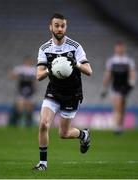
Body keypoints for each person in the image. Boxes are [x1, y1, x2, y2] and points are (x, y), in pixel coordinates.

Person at [34, 13, 93, 171]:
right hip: (54, 91)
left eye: (62, 26)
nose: (59, 28)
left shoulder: (75, 47)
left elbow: (89, 70)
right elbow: (39, 75)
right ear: (50, 27)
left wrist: (77, 64)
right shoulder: (44, 49)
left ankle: (84, 135)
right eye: (56, 25)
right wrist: (50, 68)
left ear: (65, 27)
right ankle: (43, 164)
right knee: (43, 124)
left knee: (64, 133)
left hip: (72, 94)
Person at [101, 41, 136, 134]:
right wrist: (104, 87)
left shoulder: (128, 61)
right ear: (115, 49)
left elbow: (132, 72)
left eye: (121, 47)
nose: (119, 49)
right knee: (117, 106)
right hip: (115, 87)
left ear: (124, 49)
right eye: (118, 47)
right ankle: (117, 126)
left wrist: (132, 82)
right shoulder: (112, 61)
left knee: (122, 107)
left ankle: (120, 126)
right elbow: (108, 75)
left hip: (125, 87)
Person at [9, 55, 36, 127]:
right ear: (25, 61)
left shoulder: (33, 69)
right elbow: (12, 75)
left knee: (29, 107)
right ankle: (17, 122)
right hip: (21, 90)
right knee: (20, 106)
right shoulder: (20, 69)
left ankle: (28, 123)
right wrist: (17, 76)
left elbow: (36, 79)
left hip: (30, 91)